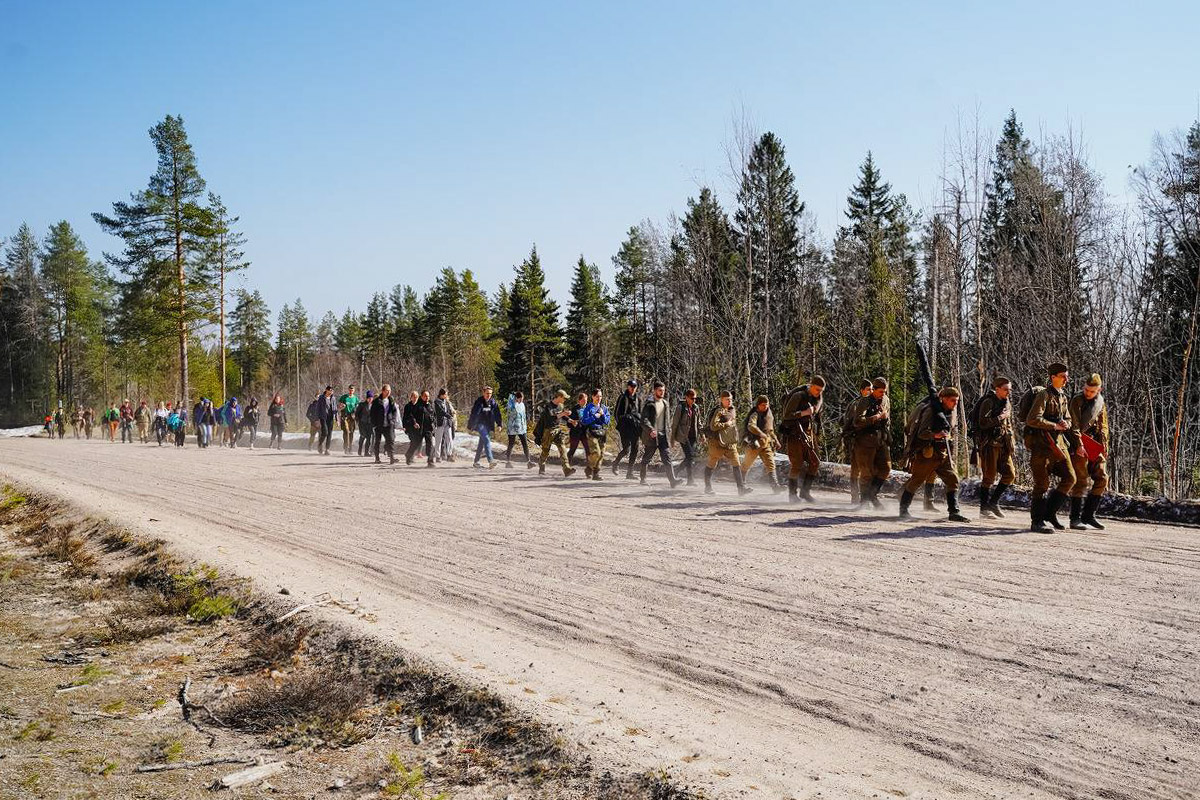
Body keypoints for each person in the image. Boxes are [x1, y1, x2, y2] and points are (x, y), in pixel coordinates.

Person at [899, 387, 970, 522]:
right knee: (916, 481)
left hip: (942, 453)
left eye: (957, 401)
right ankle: (903, 510)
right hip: (927, 453)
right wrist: (936, 435)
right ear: (943, 399)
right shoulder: (931, 411)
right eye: (952, 400)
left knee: (953, 479)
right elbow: (921, 433)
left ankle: (954, 512)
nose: (955, 403)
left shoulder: (951, 411)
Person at [1025, 363, 1076, 533]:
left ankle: (1050, 514)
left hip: (1060, 446)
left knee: (1070, 478)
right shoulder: (1043, 395)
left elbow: (1068, 418)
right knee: (1042, 484)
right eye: (1062, 376)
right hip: (1042, 446)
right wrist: (1054, 426)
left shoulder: (1063, 397)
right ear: (1053, 377)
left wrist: (1065, 423)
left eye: (1066, 375)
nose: (1066, 379)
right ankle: (1037, 521)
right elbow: (1033, 419)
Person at [1068, 373, 1109, 530]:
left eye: (1092, 391)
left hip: (1095, 445)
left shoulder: (1100, 402)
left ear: (1099, 390)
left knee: (1102, 478)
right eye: (1086, 389)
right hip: (1079, 444)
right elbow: (1075, 425)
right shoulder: (1077, 400)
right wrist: (1078, 445)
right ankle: (1075, 518)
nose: (1088, 393)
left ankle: (1089, 515)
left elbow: (1104, 425)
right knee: (1081, 480)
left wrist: (1104, 445)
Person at [971, 377, 1016, 519]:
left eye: (1010, 389)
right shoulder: (988, 402)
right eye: (1005, 389)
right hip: (989, 444)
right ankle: (984, 509)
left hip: (1003, 444)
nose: (1008, 392)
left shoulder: (1006, 402)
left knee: (1010, 474)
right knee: (989, 477)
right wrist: (1000, 417)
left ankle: (993, 502)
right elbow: (982, 423)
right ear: (997, 389)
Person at [779, 377, 826, 503]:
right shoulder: (799, 396)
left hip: (809, 433)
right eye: (817, 389)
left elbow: (816, 414)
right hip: (795, 433)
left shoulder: (817, 398)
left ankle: (805, 492)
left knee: (815, 462)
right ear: (811, 386)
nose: (818, 392)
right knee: (797, 464)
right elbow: (787, 416)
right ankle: (792, 495)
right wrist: (804, 413)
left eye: (821, 390)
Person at [849, 378, 891, 508]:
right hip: (865, 441)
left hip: (880, 440)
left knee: (886, 468)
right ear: (873, 390)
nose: (882, 394)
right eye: (880, 391)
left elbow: (888, 419)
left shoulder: (886, 400)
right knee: (866, 473)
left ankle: (872, 495)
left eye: (884, 391)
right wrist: (876, 417)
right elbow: (857, 421)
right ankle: (864, 502)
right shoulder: (865, 401)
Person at [704, 391, 751, 496]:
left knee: (736, 463)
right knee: (712, 463)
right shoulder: (719, 411)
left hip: (730, 443)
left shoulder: (732, 410)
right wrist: (726, 424)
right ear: (721, 400)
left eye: (730, 399)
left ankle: (741, 488)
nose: (729, 401)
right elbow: (713, 426)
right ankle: (708, 487)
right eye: (727, 399)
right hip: (717, 442)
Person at [638, 381, 679, 488]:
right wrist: (650, 430)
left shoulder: (665, 403)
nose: (662, 392)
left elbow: (667, 422)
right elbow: (644, 420)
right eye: (660, 390)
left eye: (663, 390)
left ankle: (673, 481)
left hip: (663, 436)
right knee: (647, 458)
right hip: (651, 436)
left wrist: (670, 436)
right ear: (654, 390)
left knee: (667, 458)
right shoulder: (649, 404)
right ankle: (643, 479)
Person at [741, 394, 784, 493]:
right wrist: (761, 433)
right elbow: (751, 426)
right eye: (763, 405)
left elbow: (770, 430)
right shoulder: (755, 414)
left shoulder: (769, 414)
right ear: (758, 405)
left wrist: (776, 440)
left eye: (767, 404)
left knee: (770, 464)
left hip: (766, 443)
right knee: (746, 465)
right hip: (754, 444)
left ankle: (775, 487)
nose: (765, 407)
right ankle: (741, 486)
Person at [841, 380, 872, 504]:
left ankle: (866, 497)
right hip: (856, 441)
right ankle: (855, 497)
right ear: (862, 390)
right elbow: (853, 423)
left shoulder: (871, 403)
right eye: (868, 389)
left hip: (868, 442)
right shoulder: (856, 404)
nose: (870, 391)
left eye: (871, 389)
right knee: (856, 470)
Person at [534, 389, 576, 477]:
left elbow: (563, 416)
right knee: (545, 451)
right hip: (548, 431)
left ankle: (566, 469)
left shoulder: (560, 406)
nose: (565, 400)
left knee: (563, 448)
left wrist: (570, 420)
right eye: (564, 398)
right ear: (559, 397)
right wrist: (564, 413)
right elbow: (552, 417)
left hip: (558, 430)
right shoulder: (548, 406)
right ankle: (542, 466)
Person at [612, 380, 642, 478]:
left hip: (635, 427)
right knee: (626, 449)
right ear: (628, 387)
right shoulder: (623, 397)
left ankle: (630, 473)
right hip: (625, 427)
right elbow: (616, 413)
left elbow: (640, 413)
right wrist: (620, 425)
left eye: (634, 386)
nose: (633, 388)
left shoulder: (638, 399)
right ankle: (615, 463)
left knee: (635, 449)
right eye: (631, 386)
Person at [671, 389, 701, 486]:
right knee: (690, 456)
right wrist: (672, 439)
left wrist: (702, 435)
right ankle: (690, 480)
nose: (694, 400)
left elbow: (699, 423)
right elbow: (675, 423)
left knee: (690, 457)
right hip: (683, 436)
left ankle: (676, 471)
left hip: (693, 436)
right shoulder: (681, 407)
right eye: (692, 398)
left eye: (695, 398)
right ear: (686, 397)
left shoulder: (696, 408)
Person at [468, 386, 503, 468]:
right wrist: (471, 425)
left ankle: (476, 462)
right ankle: (491, 461)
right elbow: (474, 414)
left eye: (490, 393)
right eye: (487, 393)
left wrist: (499, 424)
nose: (489, 395)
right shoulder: (479, 402)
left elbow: (497, 414)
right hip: (480, 424)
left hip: (488, 425)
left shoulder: (493, 402)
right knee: (487, 439)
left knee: (482, 443)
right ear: (483, 393)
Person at [580, 388, 611, 480]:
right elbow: (584, 421)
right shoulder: (588, 407)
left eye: (600, 396)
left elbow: (607, 421)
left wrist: (602, 415)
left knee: (601, 454)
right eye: (597, 396)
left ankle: (594, 472)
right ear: (593, 397)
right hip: (592, 432)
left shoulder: (604, 408)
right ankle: (590, 468)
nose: (599, 398)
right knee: (596, 452)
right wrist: (594, 416)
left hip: (602, 432)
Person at [405, 390, 436, 467]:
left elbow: (434, 416)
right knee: (415, 444)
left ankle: (430, 461)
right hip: (419, 429)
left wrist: (434, 424)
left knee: (430, 444)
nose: (427, 398)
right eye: (425, 396)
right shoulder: (417, 405)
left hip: (428, 428)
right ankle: (408, 455)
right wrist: (414, 423)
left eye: (428, 396)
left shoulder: (430, 405)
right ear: (421, 396)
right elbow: (411, 415)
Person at [370, 384, 399, 464]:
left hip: (389, 424)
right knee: (377, 441)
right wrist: (374, 424)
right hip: (379, 424)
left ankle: (392, 457)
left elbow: (394, 411)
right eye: (387, 391)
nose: (389, 392)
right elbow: (372, 413)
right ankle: (377, 457)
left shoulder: (391, 400)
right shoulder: (376, 401)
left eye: (390, 391)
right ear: (383, 391)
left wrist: (393, 420)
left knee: (391, 440)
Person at [504, 391, 532, 468]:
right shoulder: (511, 404)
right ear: (516, 398)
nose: (521, 401)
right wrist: (512, 400)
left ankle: (529, 462)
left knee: (525, 444)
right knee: (511, 444)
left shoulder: (522, 404)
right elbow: (509, 413)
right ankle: (508, 462)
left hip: (521, 428)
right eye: (520, 399)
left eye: (522, 399)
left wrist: (525, 426)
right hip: (512, 427)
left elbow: (523, 416)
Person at [565, 392, 591, 468]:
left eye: (586, 400)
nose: (585, 402)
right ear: (579, 401)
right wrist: (574, 422)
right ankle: (566, 466)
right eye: (583, 400)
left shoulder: (588, 409)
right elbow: (569, 422)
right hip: (575, 433)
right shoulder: (574, 409)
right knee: (572, 450)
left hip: (585, 432)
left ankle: (589, 468)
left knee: (588, 450)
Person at [433, 388, 456, 463]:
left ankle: (449, 455)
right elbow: (440, 411)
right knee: (438, 440)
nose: (446, 395)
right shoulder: (437, 402)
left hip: (447, 423)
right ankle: (437, 456)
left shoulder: (446, 402)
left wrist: (452, 414)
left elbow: (449, 410)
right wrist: (448, 415)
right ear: (441, 395)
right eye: (445, 394)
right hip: (440, 423)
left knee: (449, 439)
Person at [315, 385, 339, 455]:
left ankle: (327, 449)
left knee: (330, 434)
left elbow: (335, 409)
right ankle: (320, 444)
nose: (331, 392)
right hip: (323, 417)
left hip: (330, 417)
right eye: (330, 390)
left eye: (332, 391)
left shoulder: (333, 398)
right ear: (326, 390)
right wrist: (317, 419)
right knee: (325, 432)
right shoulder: (321, 398)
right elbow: (318, 409)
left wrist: (337, 419)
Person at [338, 384, 359, 455]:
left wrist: (355, 412)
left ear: (354, 390)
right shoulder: (344, 397)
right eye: (350, 389)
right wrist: (342, 406)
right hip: (345, 416)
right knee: (346, 431)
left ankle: (350, 448)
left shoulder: (355, 398)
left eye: (352, 390)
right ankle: (346, 447)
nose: (351, 391)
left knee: (352, 432)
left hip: (352, 417)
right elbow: (339, 406)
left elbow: (357, 407)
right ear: (348, 389)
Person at [356, 391, 374, 457]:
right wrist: (358, 421)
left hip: (370, 424)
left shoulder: (374, 405)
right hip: (362, 423)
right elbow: (357, 414)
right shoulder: (362, 405)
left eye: (371, 398)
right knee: (363, 436)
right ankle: (360, 448)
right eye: (369, 398)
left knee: (369, 437)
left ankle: (366, 452)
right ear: (366, 398)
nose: (370, 399)